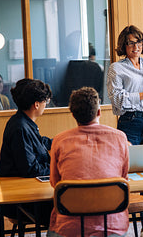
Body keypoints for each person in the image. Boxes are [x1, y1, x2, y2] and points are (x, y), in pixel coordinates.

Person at [48, 87, 129, 237]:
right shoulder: (120, 138)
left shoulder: (59, 141)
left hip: (70, 225)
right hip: (112, 225)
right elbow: (123, 178)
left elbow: (55, 183)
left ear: (73, 115)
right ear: (99, 112)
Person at [0, 78, 53, 222]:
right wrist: (57, 167)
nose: (46, 105)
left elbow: (40, 142)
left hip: (29, 193)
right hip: (20, 200)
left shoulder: (24, 122)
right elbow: (31, 170)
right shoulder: (20, 128)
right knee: (68, 207)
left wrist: (62, 141)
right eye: (45, 101)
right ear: (36, 104)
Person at [107, 25, 143, 145]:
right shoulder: (116, 68)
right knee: (129, 161)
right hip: (130, 121)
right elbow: (117, 100)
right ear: (124, 45)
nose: (136, 47)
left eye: (139, 42)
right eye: (131, 43)